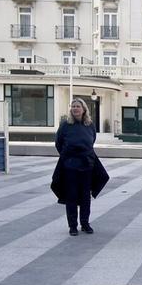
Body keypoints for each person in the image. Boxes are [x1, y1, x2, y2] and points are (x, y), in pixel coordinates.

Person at [51, 98, 109, 236]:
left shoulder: (90, 125)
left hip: (87, 165)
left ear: (84, 109)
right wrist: (69, 157)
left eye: (78, 106)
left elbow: (92, 141)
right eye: (73, 106)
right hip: (70, 166)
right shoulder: (65, 125)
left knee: (85, 196)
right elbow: (59, 144)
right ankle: (72, 226)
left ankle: (85, 223)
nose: (75, 108)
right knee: (71, 196)